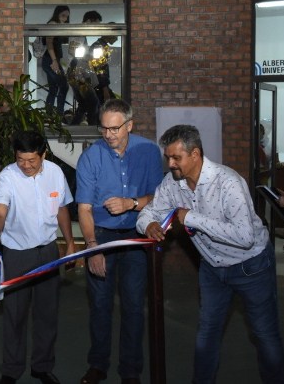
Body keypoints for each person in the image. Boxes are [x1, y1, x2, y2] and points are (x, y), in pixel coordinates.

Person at [138, 124, 284, 384]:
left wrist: (191, 218)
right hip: (212, 267)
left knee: (264, 334)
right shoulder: (172, 183)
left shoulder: (228, 182)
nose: (170, 164)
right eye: (168, 157)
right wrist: (148, 224)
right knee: (207, 334)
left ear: (195, 154)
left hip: (251, 266)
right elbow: (149, 212)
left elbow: (244, 237)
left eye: (176, 158)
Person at [76, 99, 164, 384]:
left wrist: (131, 203)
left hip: (137, 237)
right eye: (103, 128)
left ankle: (130, 371)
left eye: (115, 128)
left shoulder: (149, 151)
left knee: (134, 305)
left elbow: (161, 198)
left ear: (130, 125)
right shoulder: (91, 157)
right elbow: (84, 208)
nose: (108, 134)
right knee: (100, 305)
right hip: (101, 236)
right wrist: (92, 248)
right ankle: (98, 365)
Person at [0, 131, 74, 384]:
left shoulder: (56, 173)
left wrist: (69, 243)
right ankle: (11, 370)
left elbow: (62, 209)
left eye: (31, 160)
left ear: (43, 155)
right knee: (15, 314)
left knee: (47, 313)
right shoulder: (8, 176)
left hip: (48, 252)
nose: (25, 165)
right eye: (20, 159)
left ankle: (42, 366)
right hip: (17, 254)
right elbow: (0, 210)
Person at [66, 11, 102, 125]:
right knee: (93, 101)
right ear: (89, 21)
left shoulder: (81, 33)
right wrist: (88, 56)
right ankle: (92, 126)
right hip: (77, 71)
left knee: (84, 103)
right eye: (96, 24)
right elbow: (72, 50)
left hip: (76, 71)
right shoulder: (78, 32)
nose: (97, 28)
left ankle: (75, 126)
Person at [40, 5, 70, 116]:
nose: (65, 18)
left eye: (67, 16)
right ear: (57, 14)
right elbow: (49, 44)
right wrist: (54, 61)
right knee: (63, 85)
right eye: (63, 15)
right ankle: (58, 114)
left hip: (51, 59)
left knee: (54, 88)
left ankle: (50, 115)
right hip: (50, 60)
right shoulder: (53, 24)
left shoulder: (58, 25)